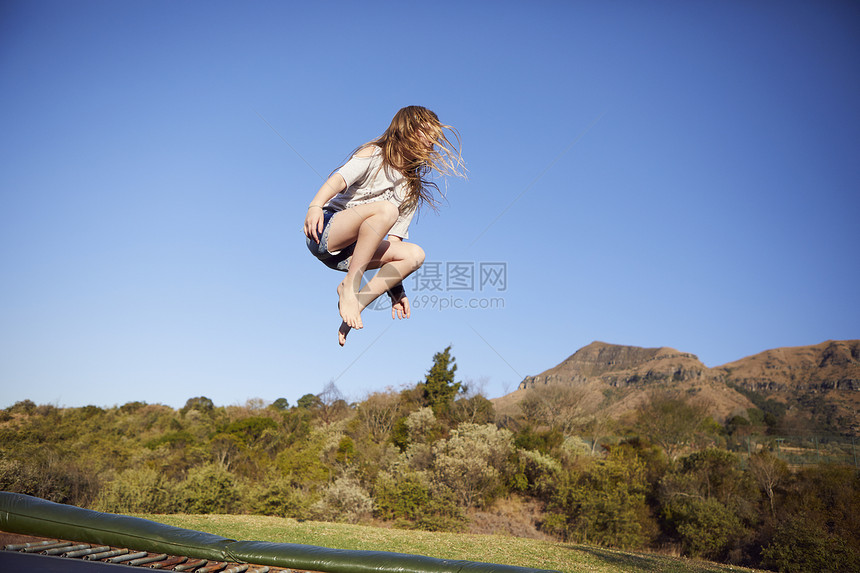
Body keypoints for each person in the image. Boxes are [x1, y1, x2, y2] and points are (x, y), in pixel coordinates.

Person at [303, 106, 465, 346]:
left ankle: (355, 303)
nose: (432, 144)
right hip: (327, 232)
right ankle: (351, 285)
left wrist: (396, 290)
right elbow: (338, 179)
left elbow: (392, 245)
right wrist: (315, 205)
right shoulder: (374, 154)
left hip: (353, 254)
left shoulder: (411, 188)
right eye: (428, 134)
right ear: (408, 129)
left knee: (415, 255)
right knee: (386, 209)